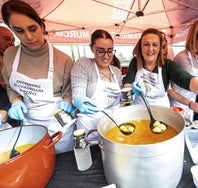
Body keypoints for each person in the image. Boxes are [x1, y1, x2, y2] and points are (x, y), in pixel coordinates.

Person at [1, 0, 75, 154]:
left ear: (41, 25)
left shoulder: (64, 60)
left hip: (58, 124)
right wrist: (15, 101)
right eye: (19, 31)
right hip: (29, 123)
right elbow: (10, 86)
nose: (28, 36)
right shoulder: (10, 55)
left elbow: (69, 92)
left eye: (32, 28)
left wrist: (68, 102)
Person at [123, 28, 198, 111]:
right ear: (140, 46)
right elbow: (127, 85)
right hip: (138, 110)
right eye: (146, 44)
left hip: (161, 112)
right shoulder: (135, 62)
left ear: (160, 48)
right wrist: (131, 90)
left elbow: (187, 79)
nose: (150, 49)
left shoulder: (168, 65)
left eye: (155, 45)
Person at [71, 29, 122, 140]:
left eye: (110, 51)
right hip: (90, 127)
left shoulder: (116, 72)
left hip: (112, 126)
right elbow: (77, 93)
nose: (106, 56)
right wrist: (79, 100)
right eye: (100, 51)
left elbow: (120, 99)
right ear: (92, 48)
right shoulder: (84, 64)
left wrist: (128, 95)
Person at [169, 20, 198, 121]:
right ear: (194, 37)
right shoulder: (182, 58)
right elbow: (192, 82)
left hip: (191, 105)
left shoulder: (197, 58)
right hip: (178, 105)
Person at [0, 26, 17, 129]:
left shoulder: (14, 55)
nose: (11, 43)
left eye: (13, 40)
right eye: (7, 39)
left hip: (13, 99)